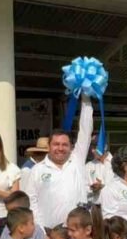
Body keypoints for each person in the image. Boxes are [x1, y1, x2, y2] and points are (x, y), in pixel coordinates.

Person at [27, 95, 93, 229]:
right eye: (56, 144)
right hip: (49, 233)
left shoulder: (77, 161)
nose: (60, 148)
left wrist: (86, 97)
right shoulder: (37, 170)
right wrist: (42, 233)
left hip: (78, 231)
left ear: (71, 147)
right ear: (48, 147)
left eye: (65, 145)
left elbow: (86, 129)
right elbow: (31, 203)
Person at [85, 135, 114, 204]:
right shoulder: (88, 166)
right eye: (91, 147)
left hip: (113, 208)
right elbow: (82, 187)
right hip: (93, 208)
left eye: (95, 147)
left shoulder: (116, 163)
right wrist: (92, 189)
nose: (92, 150)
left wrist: (103, 187)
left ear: (105, 146)